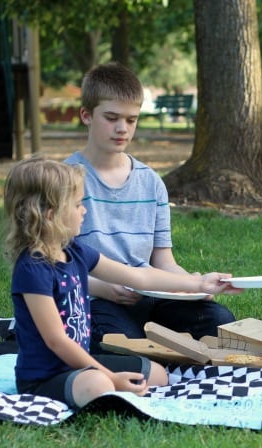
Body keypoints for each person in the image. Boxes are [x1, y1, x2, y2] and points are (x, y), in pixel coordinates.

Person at [3, 157, 241, 409]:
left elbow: (138, 276)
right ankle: (107, 389)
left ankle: (107, 385)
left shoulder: (74, 251)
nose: (84, 210)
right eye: (76, 205)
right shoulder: (32, 269)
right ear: (51, 215)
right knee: (98, 385)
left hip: (81, 363)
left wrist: (199, 284)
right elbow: (56, 341)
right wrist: (110, 376)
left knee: (157, 374)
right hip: (44, 377)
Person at [64, 63, 236, 353]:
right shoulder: (66, 179)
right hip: (94, 295)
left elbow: (163, 261)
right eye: (112, 118)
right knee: (121, 342)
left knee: (221, 323)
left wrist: (193, 286)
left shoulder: (151, 181)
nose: (122, 128)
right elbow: (56, 266)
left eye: (132, 120)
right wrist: (103, 288)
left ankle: (156, 350)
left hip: (150, 292)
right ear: (86, 115)